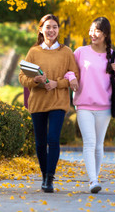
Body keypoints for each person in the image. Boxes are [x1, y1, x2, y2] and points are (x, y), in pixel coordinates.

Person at [19, 14, 79, 193]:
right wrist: (35, 80)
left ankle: (50, 178)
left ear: (58, 30)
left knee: (53, 139)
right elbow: (22, 78)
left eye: (54, 27)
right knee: (40, 142)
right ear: (41, 30)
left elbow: (75, 76)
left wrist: (57, 83)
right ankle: (44, 174)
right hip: (38, 102)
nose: (51, 30)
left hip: (58, 102)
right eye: (48, 27)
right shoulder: (33, 52)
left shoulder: (67, 52)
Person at [65, 17, 115, 194]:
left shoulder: (114, 55)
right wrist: (72, 78)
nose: (92, 34)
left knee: (99, 145)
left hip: (104, 106)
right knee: (89, 142)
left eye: (97, 31)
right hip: (83, 104)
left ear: (105, 34)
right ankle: (92, 180)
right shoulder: (81, 52)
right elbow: (69, 70)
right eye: (91, 30)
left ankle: (95, 179)